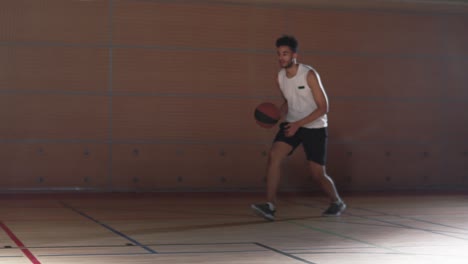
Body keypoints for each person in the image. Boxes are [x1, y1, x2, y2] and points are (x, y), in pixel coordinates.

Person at [251, 35, 346, 221]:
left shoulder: (309, 74)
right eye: (279, 54)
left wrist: (298, 125)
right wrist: (280, 111)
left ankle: (336, 201)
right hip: (293, 123)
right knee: (274, 156)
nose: (281, 58)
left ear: (295, 55)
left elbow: (323, 107)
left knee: (317, 174)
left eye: (285, 54)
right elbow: (289, 99)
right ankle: (270, 205)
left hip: (314, 126)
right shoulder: (280, 77)